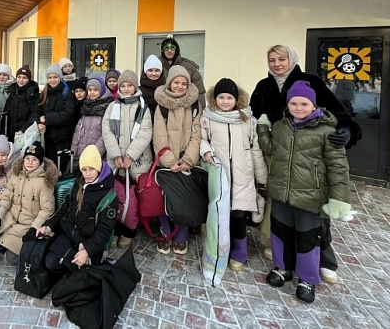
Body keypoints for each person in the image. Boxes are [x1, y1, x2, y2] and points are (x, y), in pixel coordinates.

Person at [250, 44, 361, 283]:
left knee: (312, 212)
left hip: (309, 157)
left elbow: (338, 113)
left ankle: (325, 259)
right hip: (277, 153)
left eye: (282, 59)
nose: (277, 64)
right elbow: (253, 115)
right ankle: (283, 257)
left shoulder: (310, 82)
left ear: (291, 59)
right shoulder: (263, 86)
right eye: (272, 60)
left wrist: (347, 130)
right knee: (279, 209)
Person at [257, 81, 351, 304]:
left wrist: (339, 199)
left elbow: (338, 168)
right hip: (282, 193)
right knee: (281, 234)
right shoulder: (280, 127)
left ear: (314, 105)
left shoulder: (327, 132)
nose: (298, 108)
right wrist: (262, 128)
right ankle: (283, 268)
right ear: (288, 104)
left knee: (307, 239)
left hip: (310, 197)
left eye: (304, 103)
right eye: (293, 103)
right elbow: (270, 148)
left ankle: (307, 278)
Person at [200, 78, 267, 271]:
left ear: (237, 99)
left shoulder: (248, 120)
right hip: (220, 175)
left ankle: (240, 251)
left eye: (229, 97)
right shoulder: (208, 118)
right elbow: (202, 139)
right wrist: (206, 151)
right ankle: (221, 248)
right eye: (221, 97)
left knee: (238, 216)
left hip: (242, 176)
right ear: (215, 99)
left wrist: (262, 178)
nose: (225, 101)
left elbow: (255, 149)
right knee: (220, 215)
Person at [37, 145, 117, 273]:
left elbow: (104, 231)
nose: (88, 174)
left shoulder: (108, 195)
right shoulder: (78, 183)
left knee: (79, 270)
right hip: (69, 235)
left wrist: (88, 250)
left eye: (92, 169)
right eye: (84, 169)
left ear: (99, 168)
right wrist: (49, 225)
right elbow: (64, 208)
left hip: (89, 242)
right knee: (50, 263)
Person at [152, 65, 201, 255]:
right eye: (176, 82)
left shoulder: (195, 105)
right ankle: (166, 230)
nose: (180, 86)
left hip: (187, 160)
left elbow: (197, 134)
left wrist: (188, 159)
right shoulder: (162, 106)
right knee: (163, 198)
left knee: (186, 198)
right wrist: (169, 161)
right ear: (169, 83)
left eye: (183, 83)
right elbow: (159, 135)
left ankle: (181, 235)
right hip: (167, 161)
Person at [102, 70, 153, 249]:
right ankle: (116, 228)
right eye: (122, 85)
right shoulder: (112, 106)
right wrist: (116, 154)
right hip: (116, 161)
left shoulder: (143, 108)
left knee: (133, 199)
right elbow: (107, 130)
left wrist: (130, 156)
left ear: (135, 87)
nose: (125, 89)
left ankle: (129, 230)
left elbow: (145, 132)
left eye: (129, 85)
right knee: (116, 196)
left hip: (137, 161)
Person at [0, 142, 58, 265]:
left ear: (40, 162)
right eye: (27, 159)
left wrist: (34, 228)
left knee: (11, 258)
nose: (30, 162)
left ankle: (10, 244)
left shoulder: (44, 182)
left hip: (27, 224)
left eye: (34, 159)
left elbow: (47, 209)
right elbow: (6, 198)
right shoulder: (16, 176)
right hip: (11, 218)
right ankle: (4, 241)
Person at [29, 64, 76, 172]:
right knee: (48, 169)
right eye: (50, 77)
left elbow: (68, 114)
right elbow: (35, 113)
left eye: (55, 77)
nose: (52, 80)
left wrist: (47, 119)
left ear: (60, 77)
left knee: (61, 170)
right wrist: (38, 124)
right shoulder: (43, 95)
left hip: (63, 139)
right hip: (47, 139)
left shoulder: (67, 94)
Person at [70, 79, 113, 163]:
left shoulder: (108, 107)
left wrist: (95, 152)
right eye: (90, 90)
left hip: (97, 156)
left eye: (95, 90)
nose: (92, 92)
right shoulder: (85, 107)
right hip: (81, 154)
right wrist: (74, 151)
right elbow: (78, 132)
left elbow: (107, 134)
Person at [158, 36, 206, 108]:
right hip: (162, 108)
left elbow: (199, 91)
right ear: (162, 50)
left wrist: (199, 109)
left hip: (186, 108)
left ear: (177, 49)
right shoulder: (156, 67)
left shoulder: (189, 67)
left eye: (172, 48)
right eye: (166, 48)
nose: (169, 51)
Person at [3, 65, 40, 140]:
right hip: (12, 134)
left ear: (29, 79)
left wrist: (23, 130)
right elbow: (7, 114)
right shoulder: (12, 92)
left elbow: (35, 114)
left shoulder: (34, 94)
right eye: (19, 77)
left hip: (28, 134)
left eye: (24, 78)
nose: (21, 80)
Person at [139, 55, 165, 122]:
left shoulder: (166, 89)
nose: (153, 73)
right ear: (145, 72)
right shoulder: (139, 91)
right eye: (150, 70)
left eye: (157, 70)